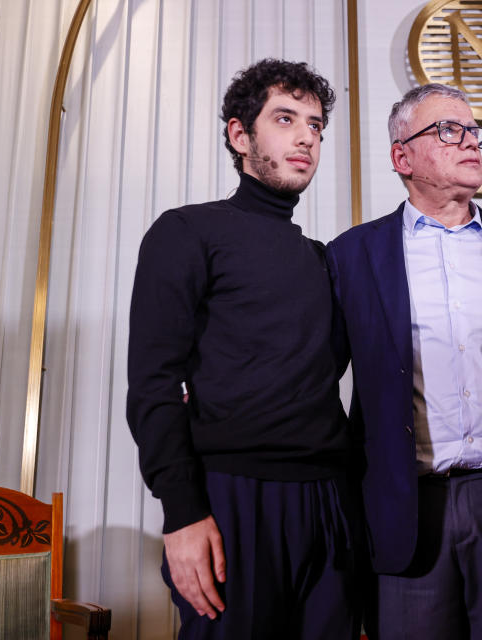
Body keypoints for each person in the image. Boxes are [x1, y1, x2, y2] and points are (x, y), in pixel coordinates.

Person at [126, 58, 359, 640]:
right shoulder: (187, 232)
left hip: (330, 502)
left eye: (316, 126)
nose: (306, 136)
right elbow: (153, 383)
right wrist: (182, 513)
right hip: (232, 500)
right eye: (286, 119)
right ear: (240, 134)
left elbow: (326, 371)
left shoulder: (322, 259)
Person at [325, 84, 482, 640]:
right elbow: (315, 375)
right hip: (408, 505)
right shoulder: (352, 255)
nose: (470, 142)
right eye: (448, 130)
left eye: (473, 131)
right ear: (401, 157)